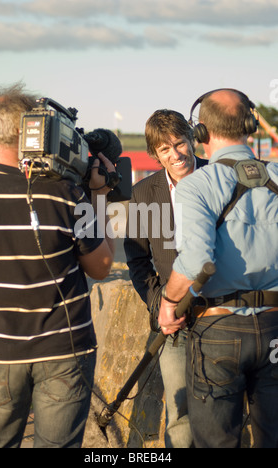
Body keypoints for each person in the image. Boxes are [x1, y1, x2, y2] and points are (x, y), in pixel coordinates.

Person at [0, 83, 115, 448]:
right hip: (64, 351)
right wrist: (98, 195)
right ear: (31, 131)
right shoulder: (66, 193)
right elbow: (102, 266)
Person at [158, 88, 278, 448]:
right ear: (251, 125)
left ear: (201, 134)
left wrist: (168, 302)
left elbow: (196, 260)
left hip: (219, 327)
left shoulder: (197, 186)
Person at [124, 109, 208, 448]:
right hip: (174, 325)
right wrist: (160, 304)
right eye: (165, 149)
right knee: (180, 413)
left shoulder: (219, 175)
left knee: (222, 410)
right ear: (155, 154)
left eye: (180, 143)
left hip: (224, 318)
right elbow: (137, 259)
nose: (175, 155)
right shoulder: (144, 192)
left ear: (191, 139)